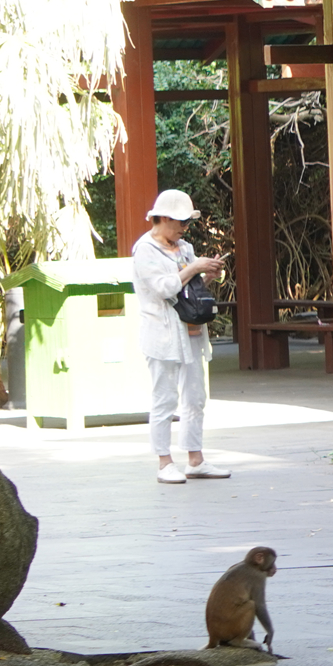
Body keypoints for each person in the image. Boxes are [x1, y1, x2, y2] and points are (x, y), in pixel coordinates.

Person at [132, 189, 227, 485]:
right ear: (162, 218)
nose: (183, 229)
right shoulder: (145, 249)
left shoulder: (184, 248)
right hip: (162, 333)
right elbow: (163, 287)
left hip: (192, 331)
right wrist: (194, 268)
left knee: (195, 396)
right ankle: (164, 461)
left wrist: (207, 271)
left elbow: (191, 284)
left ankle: (195, 459)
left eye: (186, 223)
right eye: (179, 222)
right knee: (165, 398)